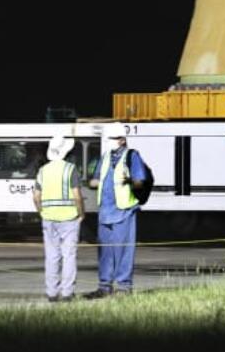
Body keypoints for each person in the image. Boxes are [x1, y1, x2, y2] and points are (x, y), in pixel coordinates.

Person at [85, 123, 146, 298]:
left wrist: (128, 182)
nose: (109, 142)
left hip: (124, 211)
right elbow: (94, 181)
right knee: (105, 251)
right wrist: (95, 183)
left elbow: (140, 181)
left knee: (123, 251)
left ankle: (124, 287)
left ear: (122, 140)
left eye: (112, 139)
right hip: (105, 211)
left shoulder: (132, 156)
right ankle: (104, 286)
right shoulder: (105, 157)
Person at [32, 135, 84, 303]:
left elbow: (36, 197)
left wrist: (41, 211)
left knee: (52, 256)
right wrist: (81, 213)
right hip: (69, 217)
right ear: (66, 151)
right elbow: (77, 195)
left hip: (48, 219)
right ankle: (67, 293)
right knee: (69, 256)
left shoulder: (43, 171)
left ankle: (52, 293)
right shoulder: (71, 169)